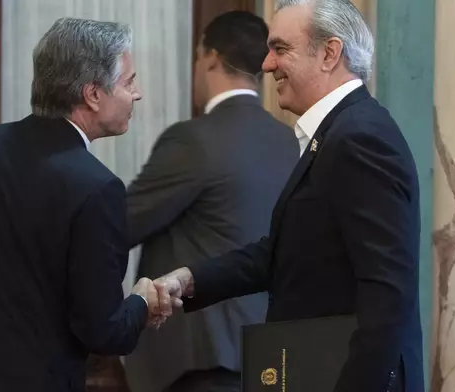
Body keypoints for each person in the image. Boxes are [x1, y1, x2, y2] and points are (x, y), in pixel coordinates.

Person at [153, 1, 424, 391]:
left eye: (280, 49)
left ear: (330, 54)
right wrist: (192, 278)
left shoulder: (359, 139)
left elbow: (387, 295)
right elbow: (285, 252)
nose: (266, 64)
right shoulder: (338, 133)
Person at [0, 18, 162, 392]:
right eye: (129, 81)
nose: (137, 94)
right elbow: (102, 330)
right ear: (92, 94)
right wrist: (141, 304)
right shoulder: (97, 188)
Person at [123, 11, 300, 392]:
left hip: (201, 358)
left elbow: (120, 224)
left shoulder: (192, 140)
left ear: (211, 59)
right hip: (271, 357)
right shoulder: (291, 143)